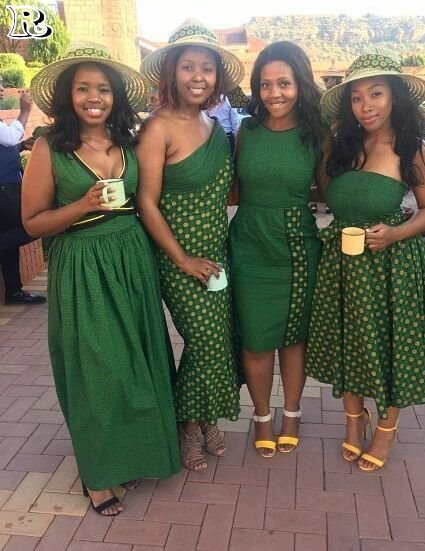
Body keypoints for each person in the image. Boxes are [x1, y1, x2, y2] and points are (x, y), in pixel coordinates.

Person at [23, 43, 181, 516]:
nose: (94, 97)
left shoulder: (128, 142)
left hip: (132, 259)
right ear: (67, 96)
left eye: (104, 89)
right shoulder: (50, 147)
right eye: (83, 88)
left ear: (116, 97)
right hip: (83, 267)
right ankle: (97, 475)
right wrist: (82, 205)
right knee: (97, 371)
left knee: (138, 363)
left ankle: (130, 455)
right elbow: (32, 223)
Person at [305, 54, 425, 472]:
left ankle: (387, 429)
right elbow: (328, 195)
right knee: (349, 344)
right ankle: (354, 421)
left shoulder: (415, 150)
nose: (365, 106)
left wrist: (394, 233)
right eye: (356, 98)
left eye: (376, 94)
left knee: (391, 348)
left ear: (395, 98)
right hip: (343, 264)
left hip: (394, 266)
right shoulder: (341, 147)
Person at [137, 20, 244, 471]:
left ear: (217, 77)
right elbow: (145, 201)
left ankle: (206, 418)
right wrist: (182, 258)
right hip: (178, 258)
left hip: (218, 253)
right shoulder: (157, 128)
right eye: (188, 66)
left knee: (221, 340)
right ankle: (186, 424)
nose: (198, 76)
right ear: (171, 73)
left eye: (207, 68)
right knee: (204, 342)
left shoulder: (214, 126)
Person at [229, 41, 323, 457]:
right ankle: (262, 415)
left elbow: (331, 192)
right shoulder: (246, 131)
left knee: (293, 339)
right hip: (249, 244)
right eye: (265, 84)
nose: (274, 93)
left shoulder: (316, 134)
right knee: (255, 339)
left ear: (300, 84)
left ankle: (293, 413)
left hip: (297, 247)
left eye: (283, 83)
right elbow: (233, 188)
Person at [0, 76, 46, 305]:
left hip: (7, 185)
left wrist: (20, 146)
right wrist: (25, 111)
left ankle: (14, 291)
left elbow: (7, 144)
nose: (2, 89)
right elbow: (8, 137)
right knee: (33, 225)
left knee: (8, 235)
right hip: (4, 188)